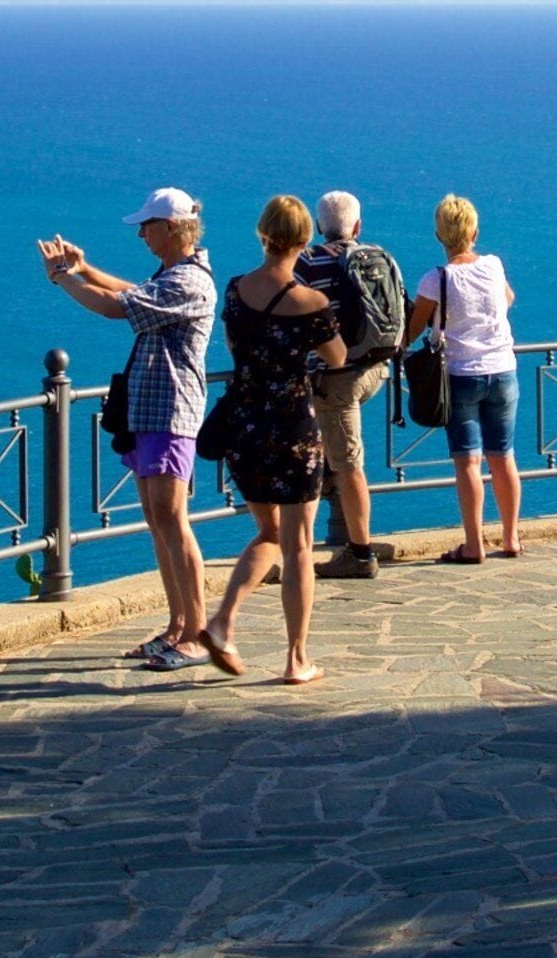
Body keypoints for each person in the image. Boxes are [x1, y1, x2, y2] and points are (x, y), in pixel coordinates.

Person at [39, 188, 214, 671]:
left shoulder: (189, 282)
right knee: (159, 521)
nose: (141, 233)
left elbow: (120, 307)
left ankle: (197, 633)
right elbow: (131, 292)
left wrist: (63, 279)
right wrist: (83, 270)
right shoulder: (170, 274)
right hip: (149, 410)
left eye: (148, 225)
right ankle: (178, 626)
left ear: (173, 228)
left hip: (171, 412)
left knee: (173, 520)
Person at [199, 194, 347, 683]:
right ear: (305, 243)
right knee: (299, 543)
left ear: (263, 235)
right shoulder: (312, 302)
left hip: (244, 426)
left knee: (269, 533)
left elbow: (235, 349)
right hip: (292, 430)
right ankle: (296, 658)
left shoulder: (236, 290)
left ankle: (222, 621)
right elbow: (337, 357)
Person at [294, 189, 405, 579]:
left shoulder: (307, 264)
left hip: (336, 379)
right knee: (335, 457)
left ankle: (359, 553)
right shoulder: (377, 256)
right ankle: (328, 490)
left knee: (349, 465)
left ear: (319, 226)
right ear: (357, 226)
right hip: (376, 369)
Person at [406, 193, 520, 563]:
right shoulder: (493, 265)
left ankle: (473, 545)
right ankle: (511, 537)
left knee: (468, 462)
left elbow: (411, 331)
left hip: (460, 375)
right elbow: (507, 299)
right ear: (474, 232)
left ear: (440, 236)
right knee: (503, 457)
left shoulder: (435, 280)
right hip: (503, 371)